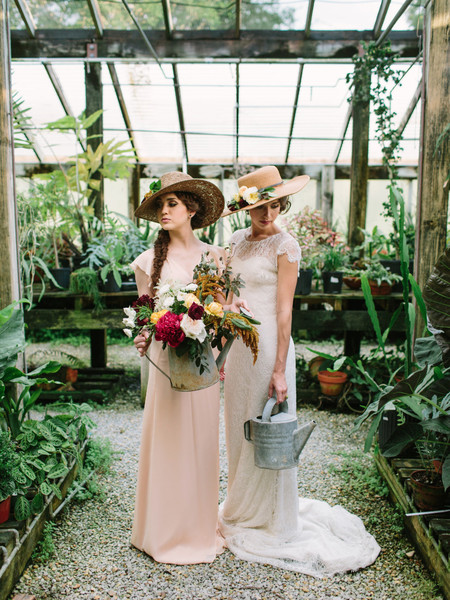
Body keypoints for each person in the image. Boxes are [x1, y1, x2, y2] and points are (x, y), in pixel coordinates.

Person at [219, 165, 380, 576]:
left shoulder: (285, 246)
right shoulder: (235, 241)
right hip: (239, 347)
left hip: (271, 343)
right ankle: (241, 505)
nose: (266, 212)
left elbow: (285, 310)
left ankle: (273, 516)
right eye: (258, 205)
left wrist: (278, 370)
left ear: (281, 202)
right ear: (245, 208)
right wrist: (224, 331)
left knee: (270, 426)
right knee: (239, 423)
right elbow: (225, 293)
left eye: (273, 203)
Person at [130, 171, 227, 564]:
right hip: (166, 364)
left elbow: (222, 310)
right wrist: (141, 334)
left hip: (203, 364)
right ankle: (163, 531)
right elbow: (143, 314)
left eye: (171, 204)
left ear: (192, 208)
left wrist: (219, 336)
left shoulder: (216, 256)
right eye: (160, 206)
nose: (164, 212)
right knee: (168, 443)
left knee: (202, 443)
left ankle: (199, 527)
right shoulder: (145, 261)